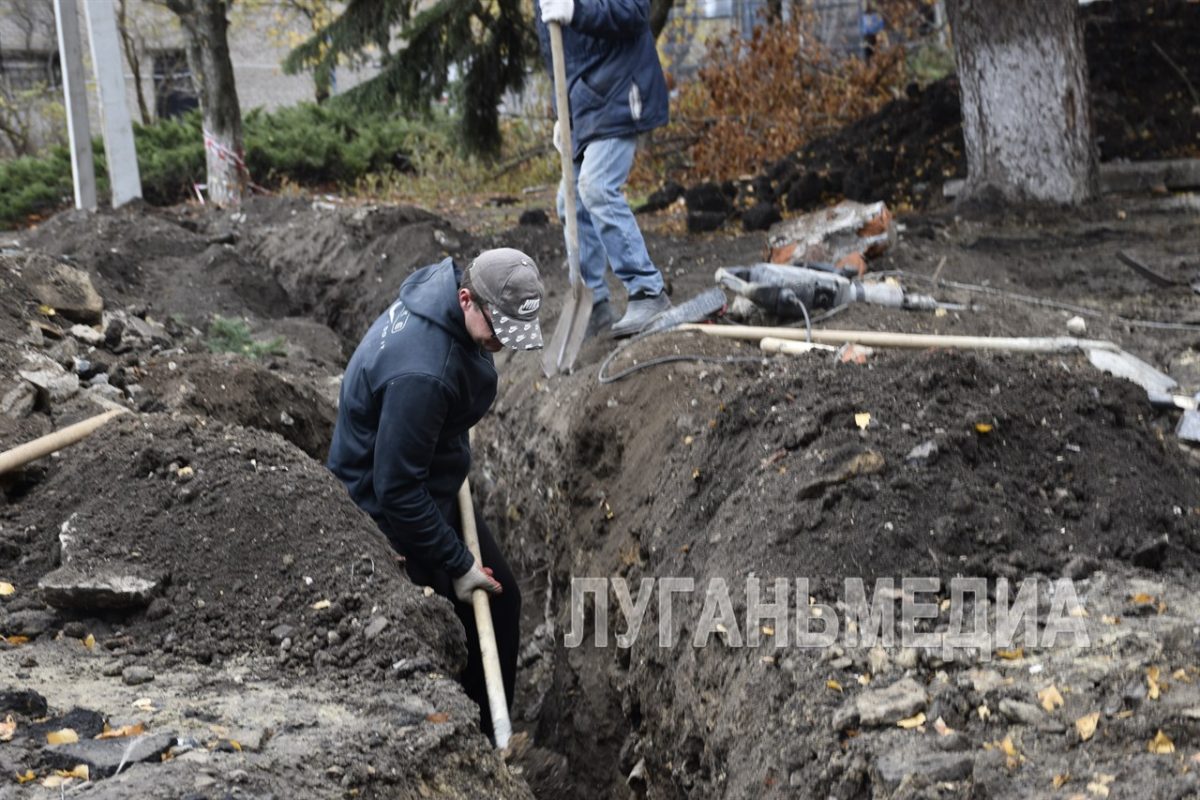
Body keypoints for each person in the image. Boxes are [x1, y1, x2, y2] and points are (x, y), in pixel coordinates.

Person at [326, 247, 544, 739]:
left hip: (427, 479)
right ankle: (468, 742)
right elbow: (397, 491)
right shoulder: (423, 375)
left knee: (502, 600)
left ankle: (495, 737)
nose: (501, 347)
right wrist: (457, 564)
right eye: (498, 332)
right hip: (384, 513)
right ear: (467, 299)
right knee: (446, 621)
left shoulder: (441, 292)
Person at [537, 0, 672, 338]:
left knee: (596, 187)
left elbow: (634, 11)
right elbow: (557, 56)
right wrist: (562, 114)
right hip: (584, 105)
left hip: (622, 90)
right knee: (570, 203)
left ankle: (647, 291)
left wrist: (577, 10)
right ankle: (595, 305)